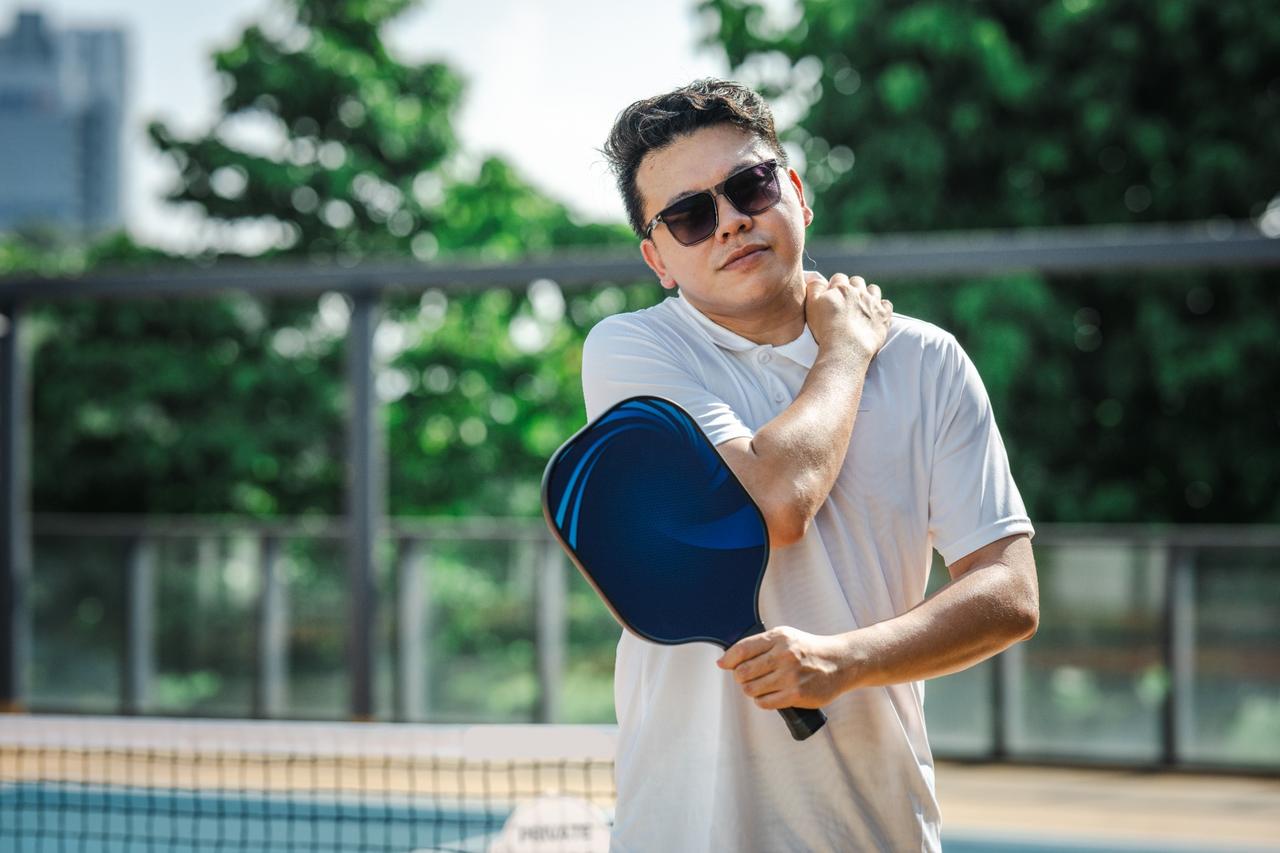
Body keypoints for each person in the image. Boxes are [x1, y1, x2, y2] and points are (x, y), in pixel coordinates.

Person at [583, 78, 1039, 852]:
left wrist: (847, 660)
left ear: (794, 190)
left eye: (750, 185)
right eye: (690, 216)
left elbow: (1011, 591)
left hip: (876, 828)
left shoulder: (929, 361)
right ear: (657, 258)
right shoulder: (633, 352)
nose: (729, 221)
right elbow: (775, 505)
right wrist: (848, 351)